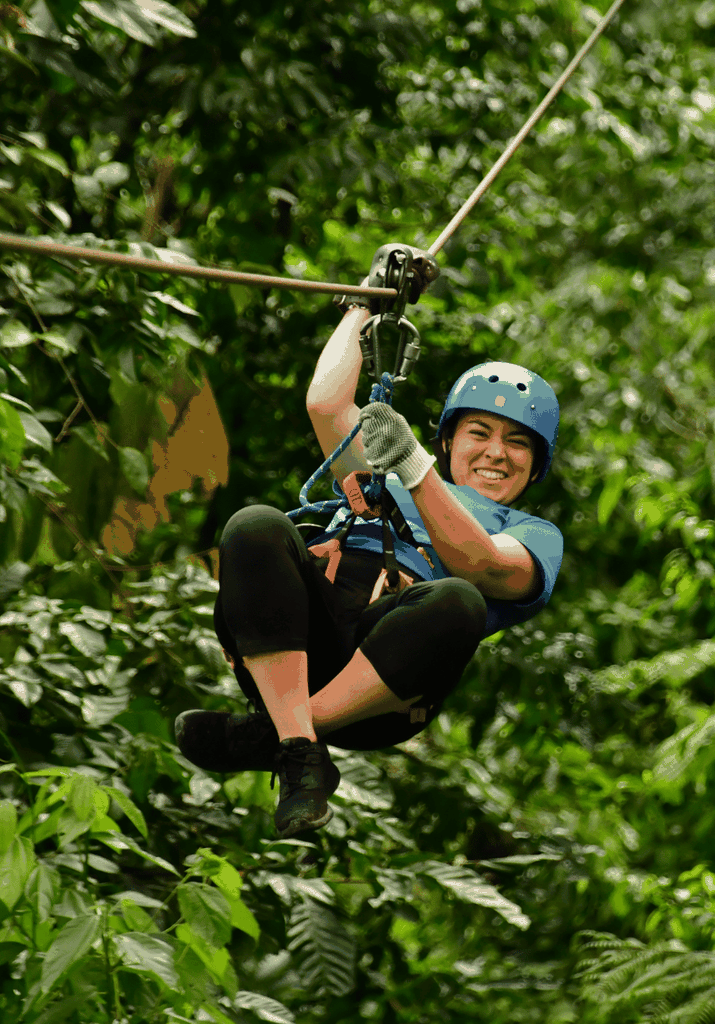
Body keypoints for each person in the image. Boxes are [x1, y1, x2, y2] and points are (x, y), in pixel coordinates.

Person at [175, 292, 563, 838]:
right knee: (254, 524)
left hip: (386, 685)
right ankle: (297, 746)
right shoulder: (390, 481)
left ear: (535, 465)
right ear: (449, 439)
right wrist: (365, 303)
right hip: (304, 642)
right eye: (480, 433)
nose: (497, 453)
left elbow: (483, 567)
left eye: (517, 442)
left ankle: (288, 736)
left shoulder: (532, 534)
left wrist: (413, 466)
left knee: (458, 600)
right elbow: (327, 407)